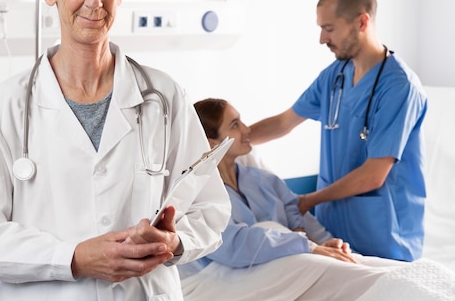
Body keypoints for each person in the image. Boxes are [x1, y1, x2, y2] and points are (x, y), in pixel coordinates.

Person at [0, 0, 230, 301]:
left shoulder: (164, 97)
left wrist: (174, 241)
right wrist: (72, 257)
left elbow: (210, 208)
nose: (95, 0)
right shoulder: (4, 108)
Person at [179, 98, 452, 301]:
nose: (248, 129)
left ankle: (436, 289)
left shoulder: (261, 179)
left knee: (364, 263)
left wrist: (325, 242)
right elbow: (233, 246)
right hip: (240, 272)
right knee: (354, 276)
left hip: (294, 254)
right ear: (211, 141)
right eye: (235, 124)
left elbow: (295, 214)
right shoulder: (200, 192)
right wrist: (307, 246)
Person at [249, 0, 427, 261]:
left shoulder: (399, 87)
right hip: (333, 233)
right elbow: (285, 122)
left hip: (383, 236)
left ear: (361, 22)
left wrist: (308, 201)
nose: (322, 39)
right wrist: (231, 141)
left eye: (329, 28)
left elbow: (373, 174)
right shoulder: (335, 76)